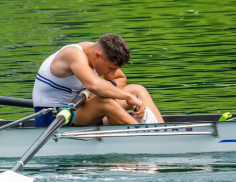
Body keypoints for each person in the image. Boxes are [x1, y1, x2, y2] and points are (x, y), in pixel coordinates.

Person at [32, 33, 163, 127]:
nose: (111, 73)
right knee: (104, 101)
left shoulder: (97, 53)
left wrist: (108, 90)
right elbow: (95, 85)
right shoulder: (73, 54)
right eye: (110, 68)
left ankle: (161, 130)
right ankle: (146, 137)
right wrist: (124, 96)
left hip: (81, 109)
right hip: (56, 118)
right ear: (97, 55)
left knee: (137, 90)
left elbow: (120, 79)